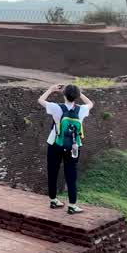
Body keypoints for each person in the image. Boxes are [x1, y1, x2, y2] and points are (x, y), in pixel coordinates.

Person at [37, 83, 94, 214]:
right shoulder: (82, 110)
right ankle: (72, 205)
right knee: (71, 174)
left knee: (52, 172)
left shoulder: (56, 108)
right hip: (73, 146)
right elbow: (91, 103)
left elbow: (40, 100)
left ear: (64, 95)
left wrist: (51, 90)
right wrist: (80, 94)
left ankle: (53, 200)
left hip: (55, 143)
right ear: (77, 96)